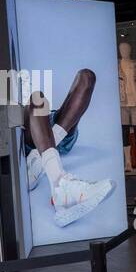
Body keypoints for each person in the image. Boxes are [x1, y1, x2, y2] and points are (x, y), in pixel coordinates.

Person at [23, 68, 115, 227]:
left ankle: (41, 161)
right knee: (37, 99)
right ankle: (59, 182)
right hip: (31, 132)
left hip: (56, 127)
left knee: (87, 76)